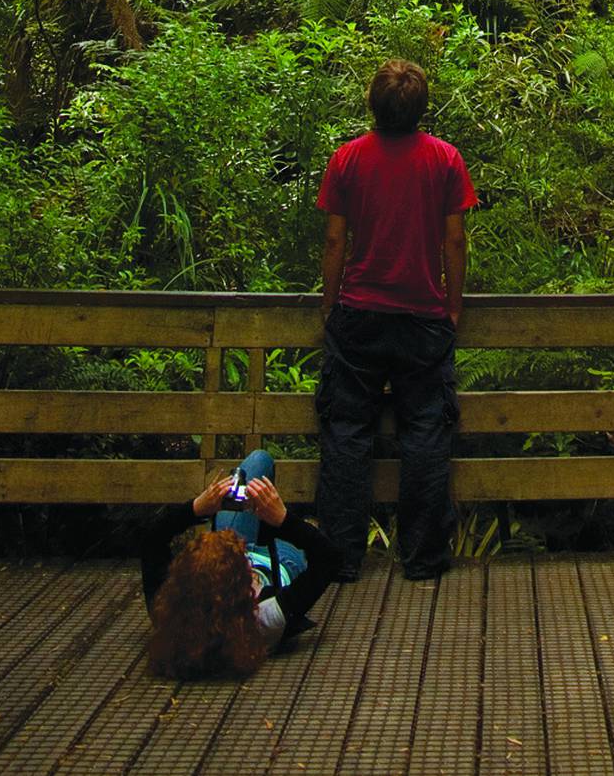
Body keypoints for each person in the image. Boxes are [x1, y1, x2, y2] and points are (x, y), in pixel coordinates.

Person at [315, 56, 478, 581]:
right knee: (426, 432)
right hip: (423, 317)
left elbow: (336, 239)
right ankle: (424, 557)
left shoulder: (348, 160)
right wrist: (452, 304)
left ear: (373, 104)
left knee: (346, 432)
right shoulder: (445, 160)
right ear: (421, 107)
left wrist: (329, 302)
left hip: (359, 313)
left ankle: (339, 558)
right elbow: (454, 239)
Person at [141, 449, 339, 677]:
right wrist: (283, 520)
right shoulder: (266, 618)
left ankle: (265, 526)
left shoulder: (169, 613)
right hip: (282, 564)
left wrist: (196, 508)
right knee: (311, 530)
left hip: (227, 563)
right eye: (243, 561)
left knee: (258, 461)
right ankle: (296, 524)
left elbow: (150, 540)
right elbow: (328, 559)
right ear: (244, 585)